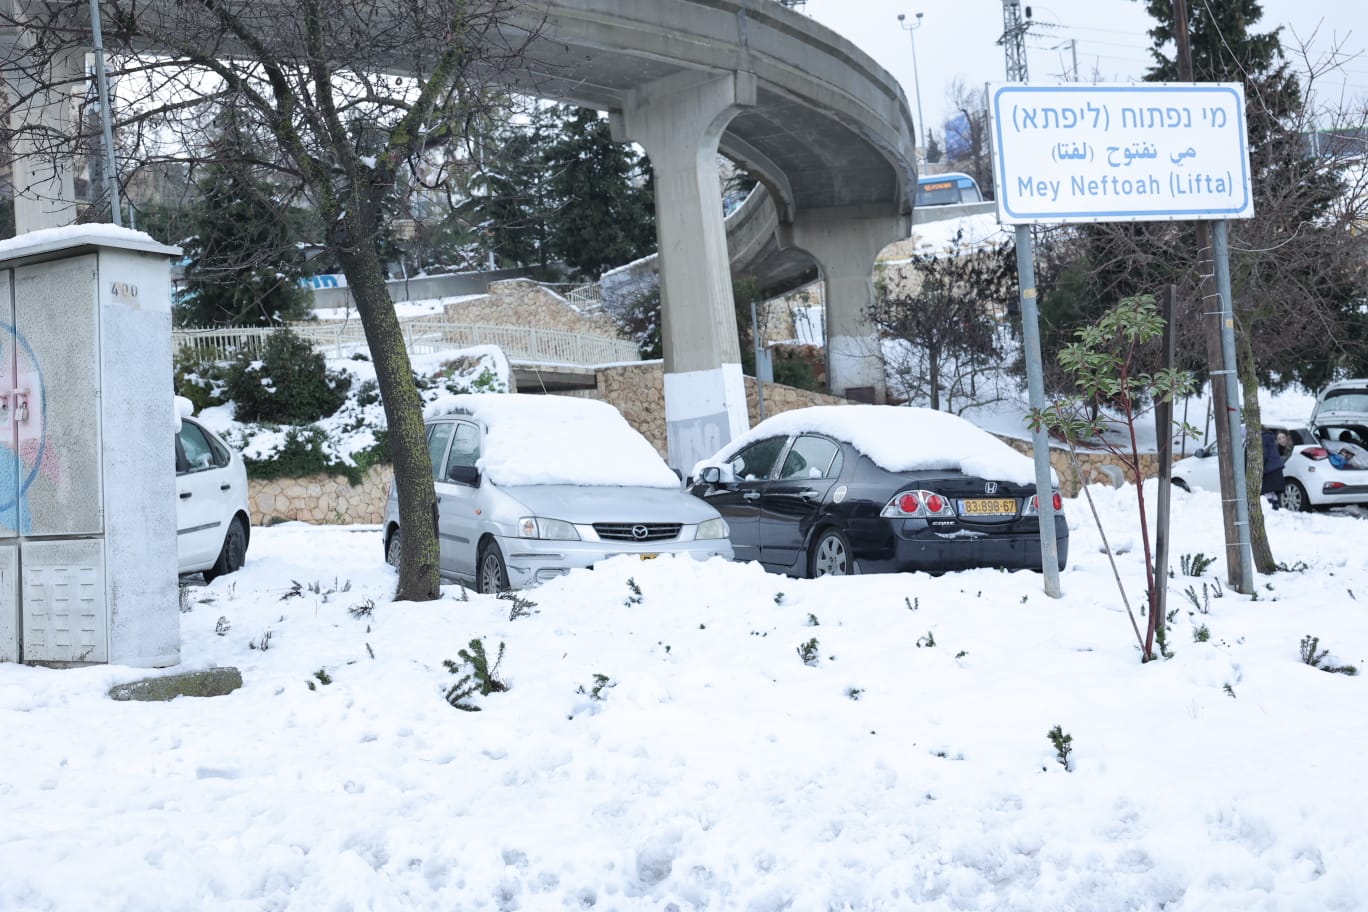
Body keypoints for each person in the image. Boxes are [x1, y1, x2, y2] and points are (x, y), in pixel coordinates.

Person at [1261, 428, 1286, 509]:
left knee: (1266, 489)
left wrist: (1260, 464)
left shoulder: (1263, 439)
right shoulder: (1271, 437)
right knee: (1273, 491)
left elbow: (1264, 454)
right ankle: (1276, 506)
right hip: (1277, 468)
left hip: (1269, 469)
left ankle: (1272, 507)